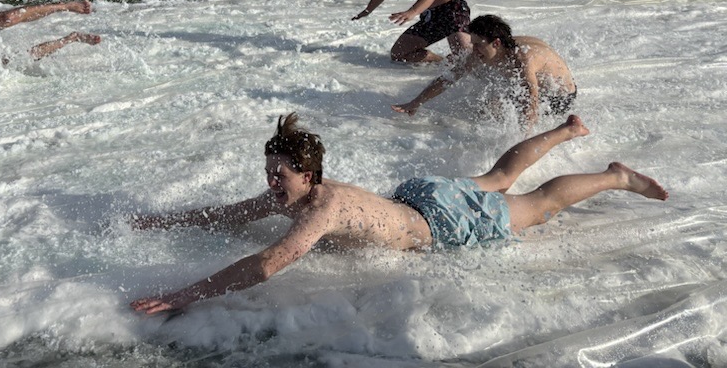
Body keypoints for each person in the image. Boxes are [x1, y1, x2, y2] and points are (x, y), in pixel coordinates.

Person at [129, 112, 667, 315]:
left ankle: (616, 176)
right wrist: (162, 221)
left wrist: (182, 295)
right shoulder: (292, 195)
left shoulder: (321, 209)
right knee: (498, 178)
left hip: (440, 222)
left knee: (537, 205)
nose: (272, 183)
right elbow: (230, 214)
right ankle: (567, 130)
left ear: (309, 176)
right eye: (269, 172)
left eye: (281, 175)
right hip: (418, 197)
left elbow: (270, 263)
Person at [392, 14, 576, 127]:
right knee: (484, 110)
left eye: (478, 44)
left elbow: (531, 101)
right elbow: (449, 78)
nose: (474, 50)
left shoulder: (522, 60)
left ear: (496, 43)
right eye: (473, 44)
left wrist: (521, 142)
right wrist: (416, 102)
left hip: (558, 97)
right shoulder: (485, 51)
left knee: (497, 111)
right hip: (536, 83)